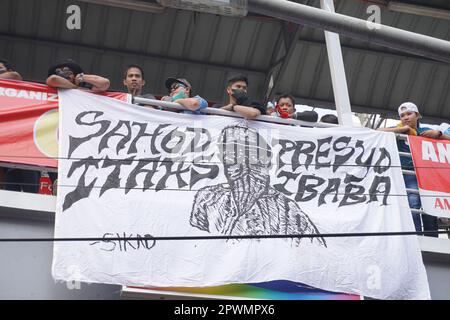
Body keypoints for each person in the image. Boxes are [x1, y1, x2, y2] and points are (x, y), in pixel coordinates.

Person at [190, 124, 327, 247]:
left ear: (267, 162)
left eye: (252, 156)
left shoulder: (287, 208)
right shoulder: (208, 198)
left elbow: (312, 251)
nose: (243, 165)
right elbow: (196, 246)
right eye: (232, 156)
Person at [378, 102, 447, 237]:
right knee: (414, 202)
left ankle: (431, 236)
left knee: (430, 205)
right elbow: (378, 131)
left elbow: (448, 140)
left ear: (418, 115)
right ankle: (414, 235)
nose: (405, 118)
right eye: (402, 115)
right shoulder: (398, 130)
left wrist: (439, 134)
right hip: (409, 174)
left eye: (409, 114)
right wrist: (401, 131)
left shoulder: (425, 131)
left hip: (428, 175)